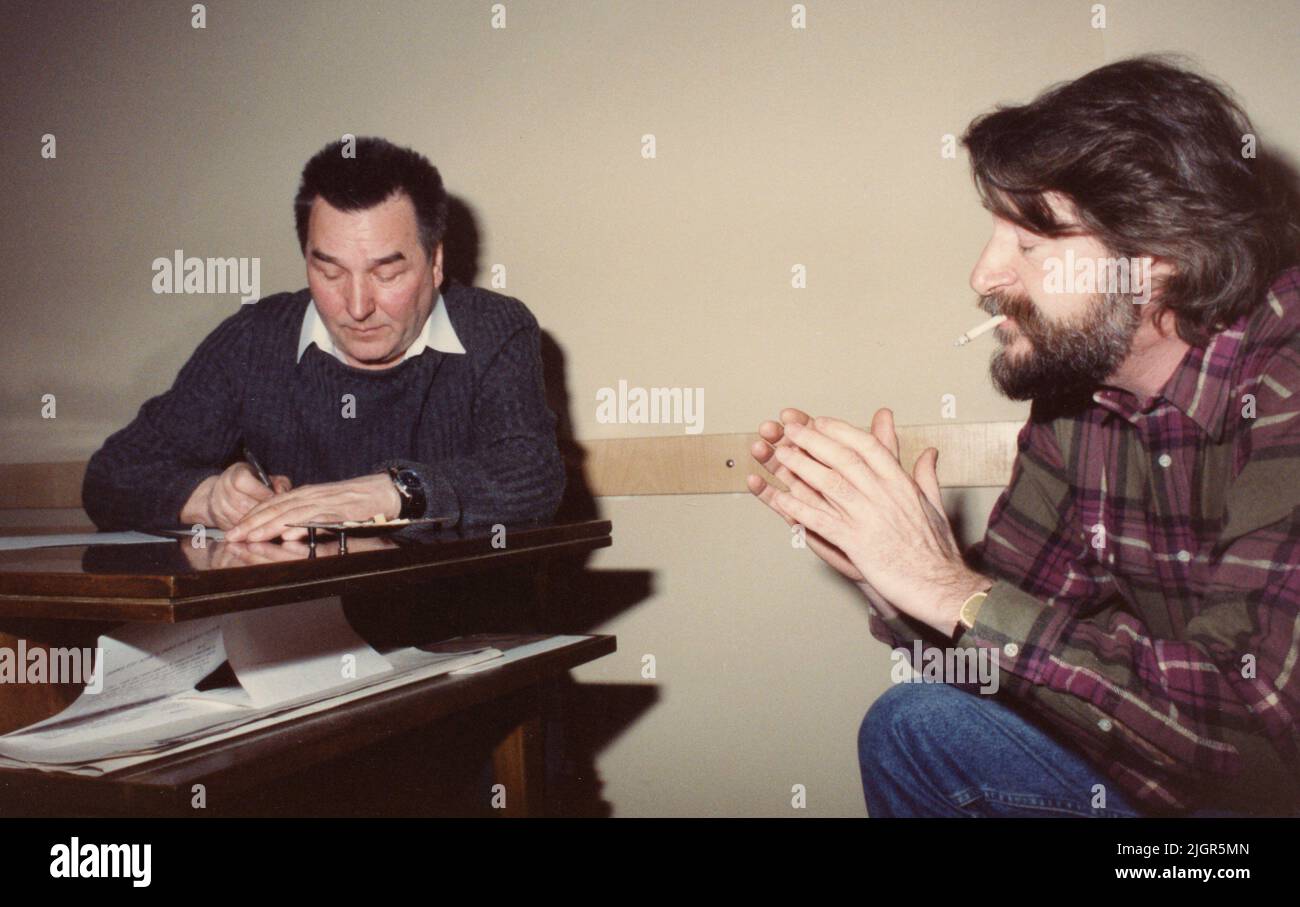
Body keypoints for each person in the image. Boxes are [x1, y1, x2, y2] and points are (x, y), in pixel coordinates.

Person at [749, 57, 1300, 816]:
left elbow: (1261, 740)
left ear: (1157, 260)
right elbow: (1000, 653)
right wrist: (894, 567)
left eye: (1032, 243)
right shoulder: (1077, 404)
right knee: (918, 728)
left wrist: (945, 583)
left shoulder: (1286, 378)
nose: (984, 273)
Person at [84, 137, 565, 538]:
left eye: (387, 273)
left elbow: (534, 474)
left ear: (435, 263)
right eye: (330, 271)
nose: (357, 306)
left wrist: (391, 492)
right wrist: (207, 497)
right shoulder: (257, 338)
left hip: (461, 635)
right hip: (288, 633)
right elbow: (111, 475)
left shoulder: (492, 328)